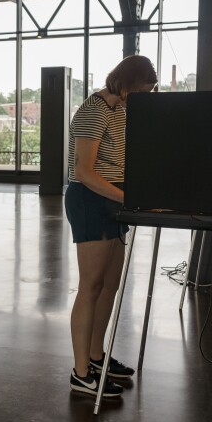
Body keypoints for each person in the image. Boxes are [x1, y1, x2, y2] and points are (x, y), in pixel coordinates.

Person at [64, 55, 158, 398]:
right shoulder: (95, 109)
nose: (143, 97)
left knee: (109, 286)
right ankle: (80, 373)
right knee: (90, 286)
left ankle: (96, 356)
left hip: (114, 202)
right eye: (142, 90)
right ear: (126, 82)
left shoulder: (120, 111)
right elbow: (84, 172)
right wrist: (126, 197)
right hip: (90, 201)